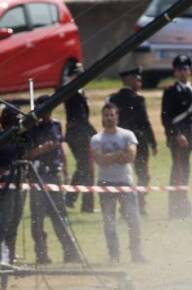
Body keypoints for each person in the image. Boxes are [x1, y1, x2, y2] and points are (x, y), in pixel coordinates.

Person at [26, 97, 81, 264]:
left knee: (60, 216)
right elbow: (26, 154)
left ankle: (70, 252)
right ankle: (41, 254)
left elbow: (60, 150)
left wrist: (65, 172)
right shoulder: (31, 128)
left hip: (54, 175)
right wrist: (42, 149)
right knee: (38, 218)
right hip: (39, 175)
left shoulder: (56, 125)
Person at [91, 102, 145, 264]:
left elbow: (130, 157)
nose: (108, 118)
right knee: (109, 222)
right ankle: (114, 256)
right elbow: (100, 161)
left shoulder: (127, 135)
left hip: (125, 182)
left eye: (111, 115)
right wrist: (119, 154)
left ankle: (136, 254)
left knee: (133, 220)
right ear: (102, 117)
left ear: (117, 116)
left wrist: (110, 157)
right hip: (105, 183)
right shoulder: (96, 138)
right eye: (106, 115)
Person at [109, 66, 157, 216]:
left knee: (123, 176)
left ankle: (124, 207)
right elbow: (145, 122)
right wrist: (153, 142)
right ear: (128, 80)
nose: (140, 82)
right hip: (138, 142)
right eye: (137, 79)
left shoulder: (113, 99)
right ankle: (140, 204)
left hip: (118, 141)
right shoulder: (138, 99)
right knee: (143, 174)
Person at [161, 55, 192, 219]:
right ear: (175, 72)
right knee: (178, 171)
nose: (183, 72)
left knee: (185, 171)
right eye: (180, 69)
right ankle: (176, 208)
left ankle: (183, 206)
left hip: (188, 137)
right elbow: (166, 117)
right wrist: (176, 134)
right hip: (177, 138)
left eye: (186, 69)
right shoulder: (170, 91)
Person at [0, 107, 24, 264]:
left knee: (16, 217)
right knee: (4, 217)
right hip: (4, 180)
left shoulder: (20, 135)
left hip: (19, 179)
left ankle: (10, 252)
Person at [63, 63, 96, 213]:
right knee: (86, 168)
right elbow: (80, 119)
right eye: (77, 74)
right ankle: (84, 204)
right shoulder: (71, 92)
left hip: (80, 134)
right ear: (71, 76)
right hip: (78, 135)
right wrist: (94, 133)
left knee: (84, 167)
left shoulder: (79, 92)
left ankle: (72, 198)